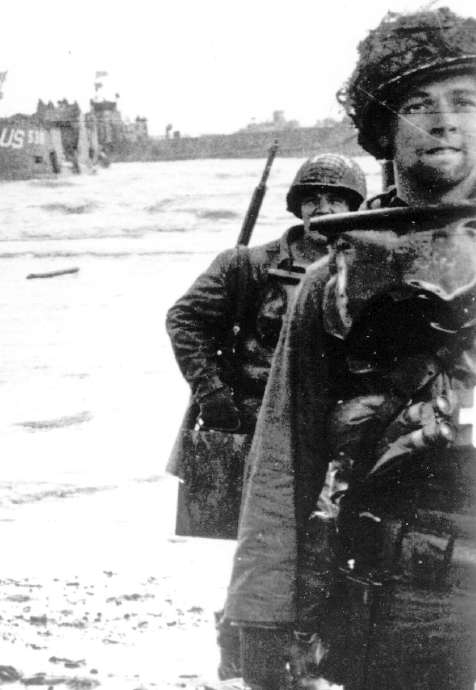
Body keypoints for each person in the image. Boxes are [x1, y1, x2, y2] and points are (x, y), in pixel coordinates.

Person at [224, 8, 476, 689]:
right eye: (418, 105)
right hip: (393, 603)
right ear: (383, 131)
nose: (444, 121)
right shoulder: (332, 281)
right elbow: (283, 458)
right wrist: (261, 613)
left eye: (465, 102)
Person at [165, 154, 366, 682]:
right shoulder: (247, 266)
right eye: (313, 199)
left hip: (330, 427)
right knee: (261, 549)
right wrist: (213, 394)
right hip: (256, 423)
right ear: (297, 205)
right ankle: (247, 654)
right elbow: (184, 320)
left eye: (336, 199)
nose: (322, 209)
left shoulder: (362, 269)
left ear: (354, 207)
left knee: (325, 541)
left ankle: (305, 653)